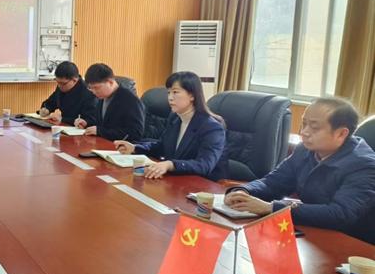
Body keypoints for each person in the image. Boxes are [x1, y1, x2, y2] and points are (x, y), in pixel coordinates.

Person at [225, 97, 375, 244]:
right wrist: (244, 191)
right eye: (304, 124)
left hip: (353, 245)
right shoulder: (304, 150)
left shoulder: (364, 165)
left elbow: (340, 214)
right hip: (313, 231)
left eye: (314, 127)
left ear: (341, 133)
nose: (304, 132)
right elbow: (273, 182)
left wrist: (272, 208)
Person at [114, 71, 228, 180]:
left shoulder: (212, 127)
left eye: (175, 92)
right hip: (179, 180)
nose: (170, 97)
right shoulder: (175, 118)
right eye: (168, 92)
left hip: (204, 185)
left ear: (192, 96)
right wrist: (135, 148)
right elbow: (162, 146)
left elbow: (204, 165)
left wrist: (170, 164)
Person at [74, 63, 144, 141]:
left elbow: (135, 133)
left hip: (120, 146)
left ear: (110, 82)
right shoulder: (103, 96)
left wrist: (100, 131)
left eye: (96, 88)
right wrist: (87, 123)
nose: (93, 92)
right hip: (103, 143)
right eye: (91, 88)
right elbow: (103, 124)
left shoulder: (130, 100)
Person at [38, 61, 98, 126]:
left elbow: (90, 120)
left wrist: (62, 119)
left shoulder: (89, 92)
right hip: (63, 127)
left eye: (63, 83)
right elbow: (51, 102)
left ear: (74, 80)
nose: (59, 86)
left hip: (78, 130)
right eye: (57, 82)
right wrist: (46, 109)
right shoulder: (62, 86)